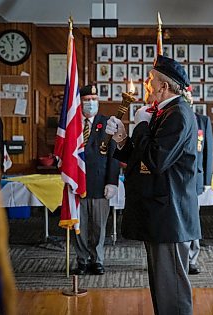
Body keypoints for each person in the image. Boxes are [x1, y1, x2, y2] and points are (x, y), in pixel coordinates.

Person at [105, 55, 200, 315]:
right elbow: (143, 157)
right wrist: (123, 139)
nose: (147, 84)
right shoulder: (164, 112)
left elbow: (157, 160)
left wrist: (141, 125)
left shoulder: (178, 114)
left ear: (164, 86)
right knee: (161, 284)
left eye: (151, 79)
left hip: (170, 212)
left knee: (172, 288)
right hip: (159, 210)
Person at [72, 84, 120, 276]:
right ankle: (82, 260)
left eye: (94, 99)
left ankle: (97, 260)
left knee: (98, 226)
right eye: (87, 100)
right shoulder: (72, 123)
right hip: (78, 183)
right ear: (80, 102)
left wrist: (112, 182)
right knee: (80, 226)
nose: (91, 103)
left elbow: (114, 155)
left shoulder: (107, 123)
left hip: (100, 184)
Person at [188, 112, 213, 275]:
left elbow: (207, 151)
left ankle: (192, 259)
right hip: (174, 179)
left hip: (194, 178)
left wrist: (207, 180)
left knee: (192, 220)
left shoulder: (202, 121)